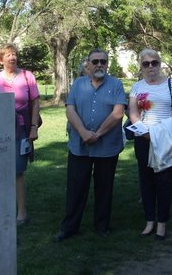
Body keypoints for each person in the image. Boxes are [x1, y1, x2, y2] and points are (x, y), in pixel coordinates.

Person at [54, 49, 126, 242]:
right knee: (76, 188)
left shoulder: (116, 84)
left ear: (107, 63)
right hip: (80, 146)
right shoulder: (77, 84)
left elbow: (118, 113)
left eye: (103, 61)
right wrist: (84, 133)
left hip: (107, 147)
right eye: (95, 61)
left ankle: (101, 226)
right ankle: (70, 227)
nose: (99, 64)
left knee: (104, 188)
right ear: (88, 64)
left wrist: (98, 134)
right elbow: (70, 110)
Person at [128, 49, 172, 240]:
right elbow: (133, 113)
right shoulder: (136, 87)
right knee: (146, 181)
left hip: (165, 139)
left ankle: (162, 223)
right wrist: (144, 132)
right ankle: (149, 220)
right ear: (141, 66)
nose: (151, 67)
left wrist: (162, 131)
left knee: (164, 182)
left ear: (160, 64)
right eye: (146, 63)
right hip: (143, 139)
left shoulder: (170, 83)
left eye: (154, 63)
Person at [0, 43, 40, 226]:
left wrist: (33, 127)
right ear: (0, 59)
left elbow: (35, 103)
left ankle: (22, 212)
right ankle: (0, 208)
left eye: (14, 54)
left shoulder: (27, 76)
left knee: (17, 170)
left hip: (21, 129)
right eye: (8, 55)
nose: (12, 57)